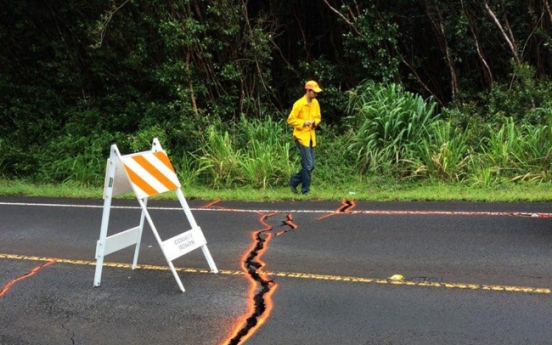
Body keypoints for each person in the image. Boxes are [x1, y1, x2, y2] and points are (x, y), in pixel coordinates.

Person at [287, 80, 323, 195]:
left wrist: (314, 122)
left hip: (311, 137)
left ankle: (293, 181)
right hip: (301, 137)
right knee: (307, 165)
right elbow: (290, 120)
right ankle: (305, 191)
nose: (316, 94)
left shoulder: (315, 103)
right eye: (314, 92)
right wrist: (304, 122)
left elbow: (318, 117)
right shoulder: (299, 104)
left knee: (311, 166)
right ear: (308, 90)